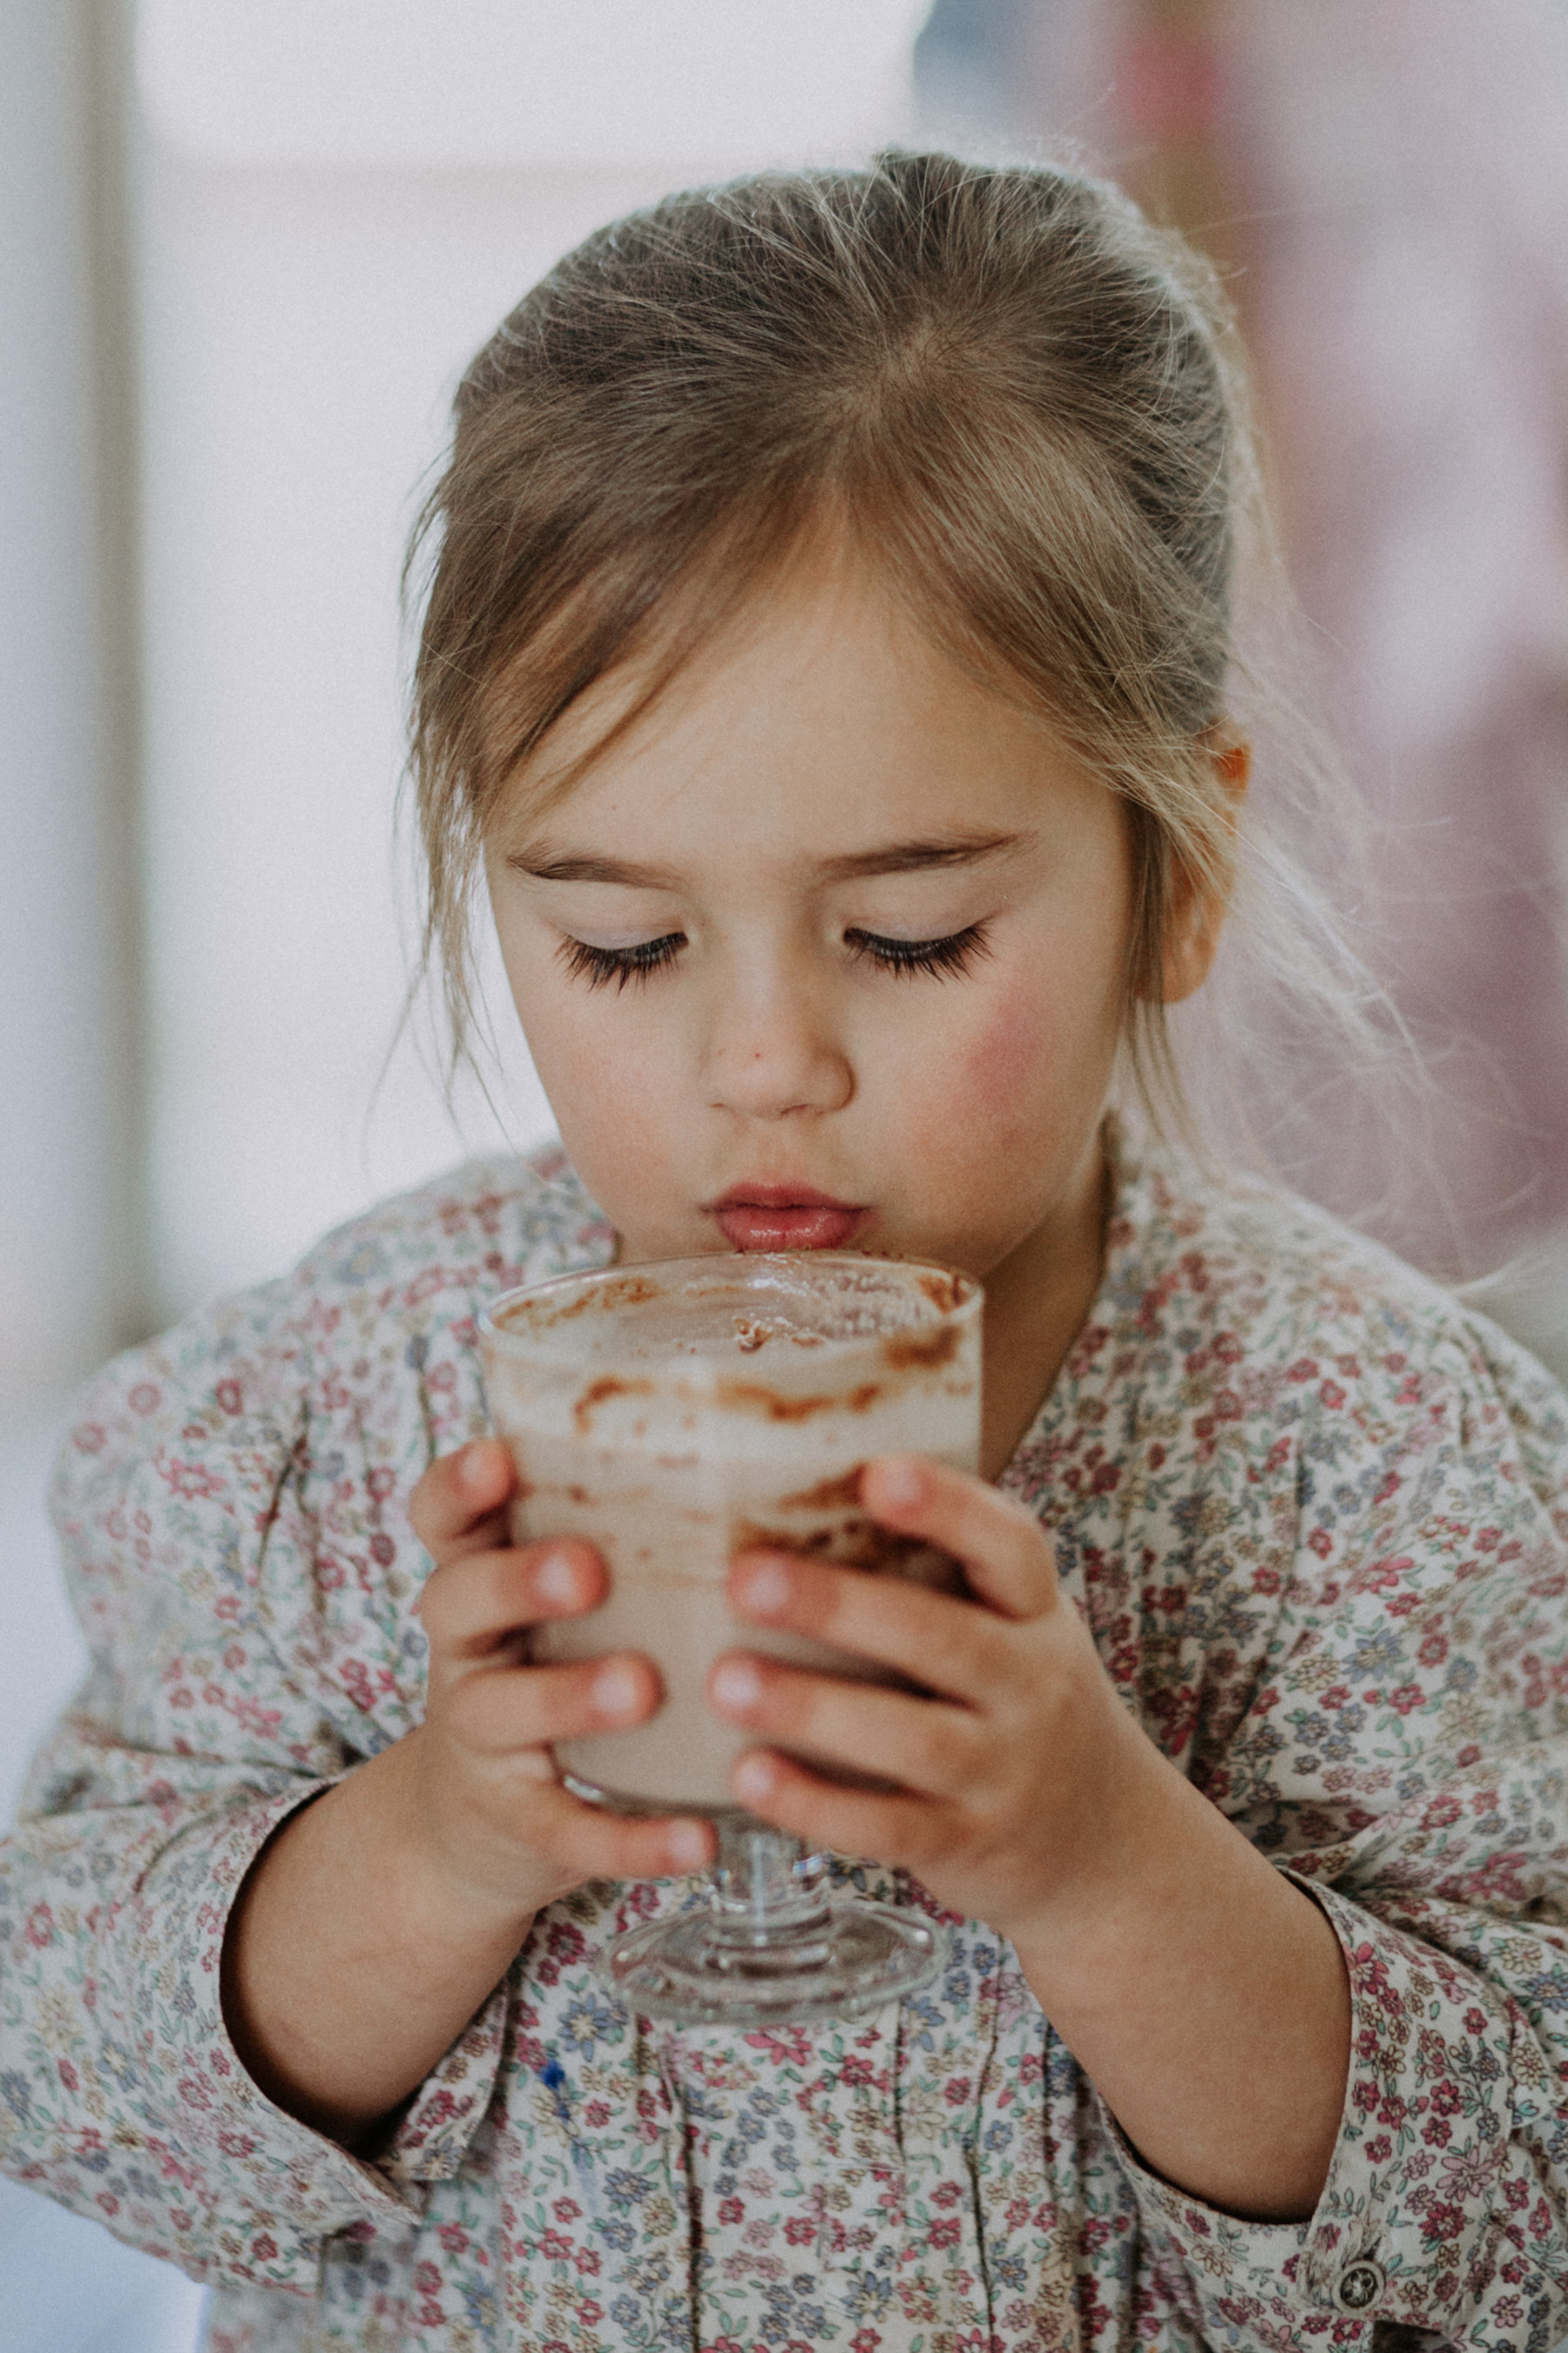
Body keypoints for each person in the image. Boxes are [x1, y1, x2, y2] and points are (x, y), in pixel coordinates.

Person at [3, 152, 1566, 2353]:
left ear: (1177, 868)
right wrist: (434, 1841)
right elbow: (61, 2087)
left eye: (909, 935)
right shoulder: (320, 1429)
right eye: (622, 942)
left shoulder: (1388, 1476)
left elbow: (1526, 2225)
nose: (763, 1065)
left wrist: (1108, 1860)